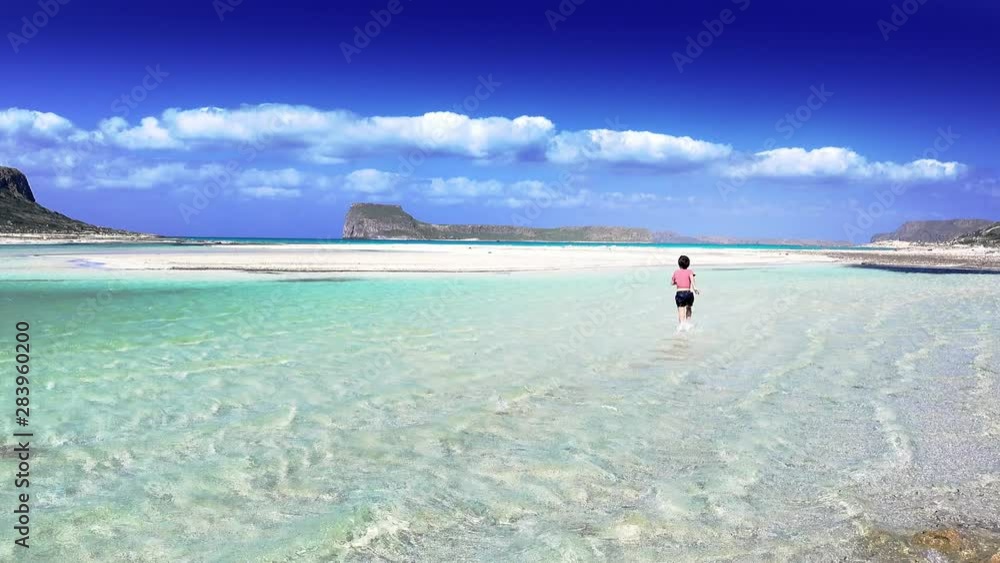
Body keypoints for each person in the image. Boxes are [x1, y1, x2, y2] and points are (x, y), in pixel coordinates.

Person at [671, 255, 699, 329]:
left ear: (679, 264)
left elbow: (672, 283)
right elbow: (692, 280)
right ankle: (688, 323)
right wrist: (695, 288)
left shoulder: (676, 272)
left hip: (679, 293)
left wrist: (676, 282)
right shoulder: (690, 271)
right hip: (688, 293)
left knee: (681, 310)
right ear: (688, 264)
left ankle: (681, 325)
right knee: (689, 308)